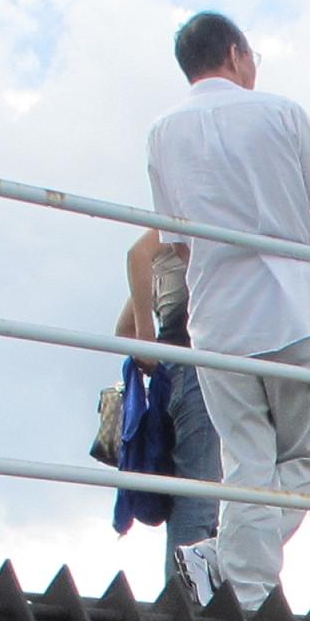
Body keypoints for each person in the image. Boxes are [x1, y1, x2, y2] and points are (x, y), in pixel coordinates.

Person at [145, 13, 310, 610]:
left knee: (245, 460)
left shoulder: (162, 132)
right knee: (304, 456)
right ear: (236, 53)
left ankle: (232, 574)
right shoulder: (280, 111)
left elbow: (175, 242)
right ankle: (231, 573)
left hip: (216, 315)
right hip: (289, 307)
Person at [120, 228, 222, 567]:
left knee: (194, 496)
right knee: (201, 498)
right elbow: (136, 253)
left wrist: (148, 336)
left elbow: (122, 330)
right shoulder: (187, 215)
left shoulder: (165, 263)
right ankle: (191, 602)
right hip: (197, 366)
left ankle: (189, 594)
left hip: (174, 372)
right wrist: (148, 337)